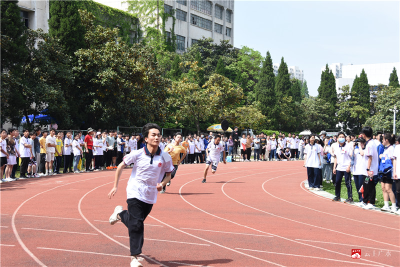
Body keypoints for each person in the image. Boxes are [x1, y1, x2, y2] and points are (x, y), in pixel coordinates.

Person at [107, 123, 174, 267]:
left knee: (135, 222)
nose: (157, 137)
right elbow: (120, 166)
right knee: (137, 225)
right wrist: (115, 186)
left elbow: (169, 175)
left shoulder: (165, 156)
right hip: (134, 191)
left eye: (158, 135)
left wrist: (162, 184)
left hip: (150, 194)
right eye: (153, 135)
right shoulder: (137, 154)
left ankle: (120, 214)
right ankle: (134, 257)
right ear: (146, 139)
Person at [359, 127, 379, 210]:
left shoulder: (370, 144)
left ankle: (371, 202)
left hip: (370, 170)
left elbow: (370, 158)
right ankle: (365, 200)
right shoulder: (369, 143)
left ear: (364, 134)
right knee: (366, 184)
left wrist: (368, 169)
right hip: (367, 170)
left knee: (370, 185)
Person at [332, 132, 353, 203]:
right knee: (337, 182)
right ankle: (337, 196)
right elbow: (336, 158)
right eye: (340, 137)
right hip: (339, 167)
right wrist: (334, 167)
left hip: (346, 167)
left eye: (343, 137)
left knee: (348, 183)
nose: (341, 138)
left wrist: (349, 166)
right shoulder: (336, 147)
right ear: (337, 138)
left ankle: (350, 197)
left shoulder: (348, 146)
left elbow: (351, 157)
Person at [379, 133, 396, 213]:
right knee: (383, 188)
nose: (382, 141)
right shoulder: (386, 148)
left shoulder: (391, 148)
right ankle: (386, 205)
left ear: (387, 140)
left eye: (383, 139)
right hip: (383, 171)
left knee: (389, 189)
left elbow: (392, 160)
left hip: (388, 171)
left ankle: (394, 206)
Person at [353, 138, 367, 205]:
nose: (360, 144)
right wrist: (353, 147)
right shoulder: (355, 150)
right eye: (359, 143)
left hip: (362, 171)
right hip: (355, 171)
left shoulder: (366, 150)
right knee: (357, 187)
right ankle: (360, 199)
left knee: (362, 186)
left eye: (361, 142)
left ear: (364, 143)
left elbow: (362, 154)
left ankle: (363, 199)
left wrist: (360, 147)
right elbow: (350, 155)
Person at [393, 135, 400, 215]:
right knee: (398, 190)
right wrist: (394, 172)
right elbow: (395, 160)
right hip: (398, 172)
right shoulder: (397, 147)